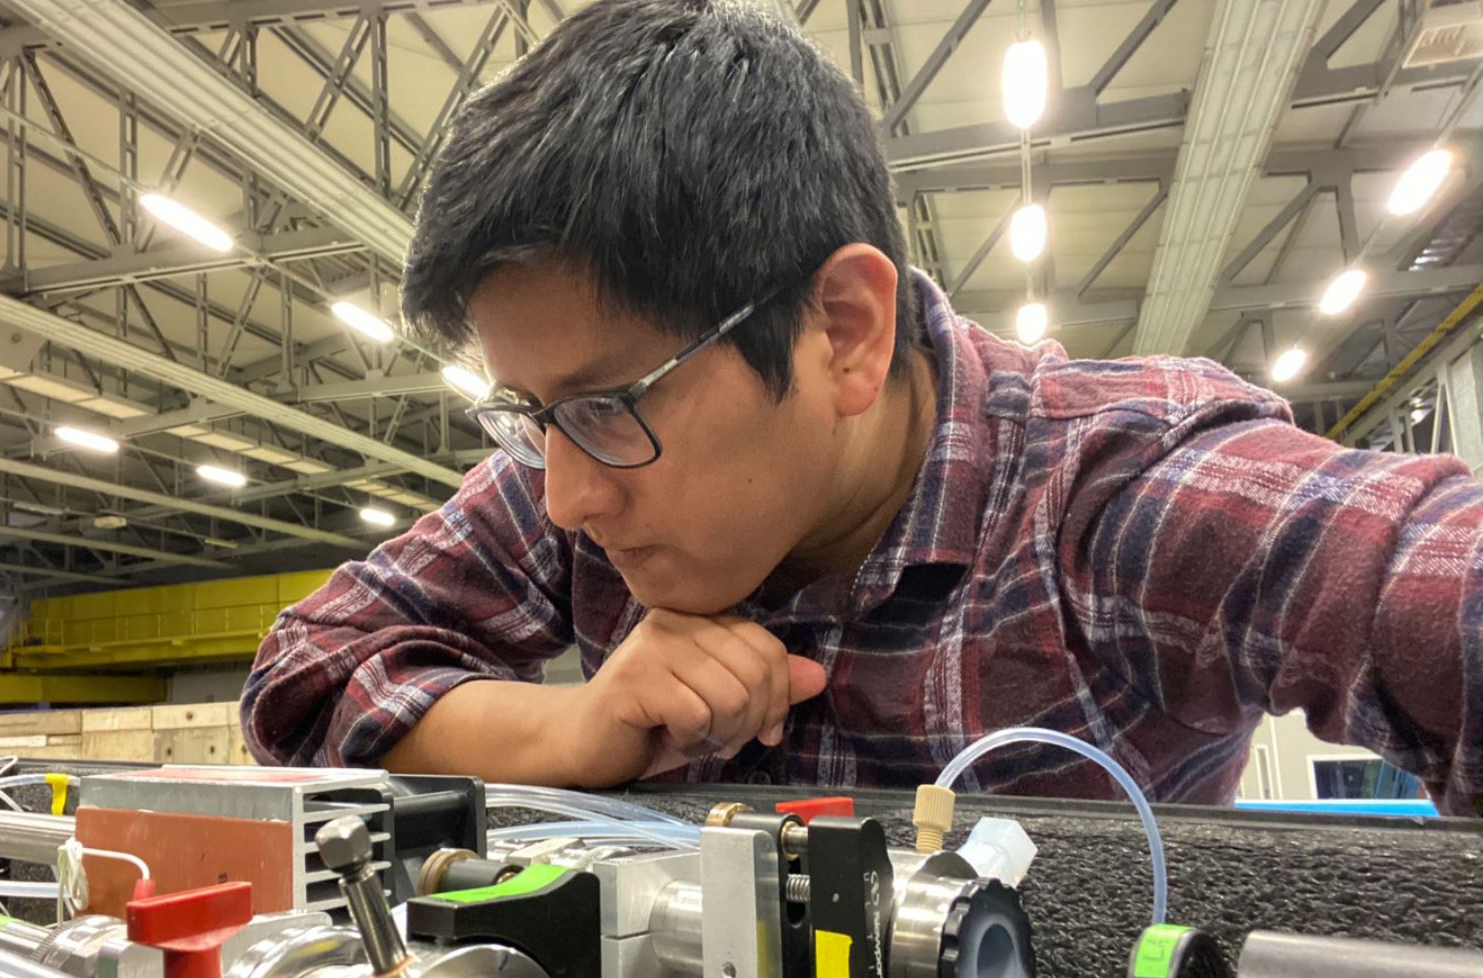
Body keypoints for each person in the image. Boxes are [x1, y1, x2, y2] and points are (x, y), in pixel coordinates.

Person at [241, 0, 1483, 813]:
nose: (565, 494)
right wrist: (578, 726)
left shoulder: (1111, 496)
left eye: (607, 404)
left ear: (843, 330)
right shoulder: (579, 463)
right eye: (532, 413)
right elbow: (302, 675)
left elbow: (1429, 583)